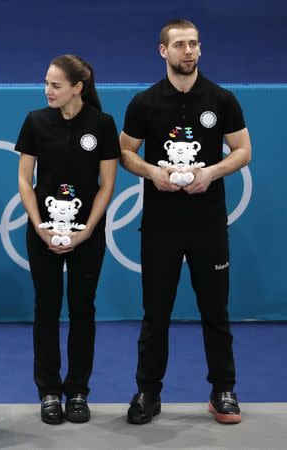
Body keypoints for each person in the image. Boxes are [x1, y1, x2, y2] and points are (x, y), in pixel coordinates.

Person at [120, 19, 251, 425]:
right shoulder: (143, 103)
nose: (188, 51)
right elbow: (125, 152)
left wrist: (211, 172)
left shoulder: (222, 99)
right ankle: (147, 391)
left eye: (194, 43)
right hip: (160, 225)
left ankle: (223, 390)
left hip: (208, 224)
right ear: (163, 51)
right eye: (179, 45)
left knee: (216, 311)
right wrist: (151, 172)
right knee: (155, 313)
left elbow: (243, 150)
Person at [17, 54, 120, 425]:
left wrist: (88, 229)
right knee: (46, 309)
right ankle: (48, 391)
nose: (47, 91)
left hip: (86, 234)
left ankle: (77, 391)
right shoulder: (34, 122)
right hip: (42, 232)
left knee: (82, 310)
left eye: (56, 85)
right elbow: (25, 181)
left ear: (78, 88)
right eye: (45, 83)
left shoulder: (103, 125)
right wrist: (40, 226)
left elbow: (107, 184)